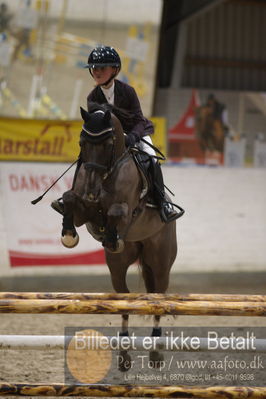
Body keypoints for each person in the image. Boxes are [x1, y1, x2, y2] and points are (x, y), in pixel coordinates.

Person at [52, 45, 180, 223]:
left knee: (151, 157)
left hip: (135, 131)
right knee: (84, 156)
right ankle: (76, 192)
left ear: (114, 70)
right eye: (94, 68)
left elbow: (139, 120)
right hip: (110, 136)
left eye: (102, 68)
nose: (96, 72)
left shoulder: (128, 92)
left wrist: (132, 137)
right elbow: (97, 125)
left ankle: (161, 202)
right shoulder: (92, 97)